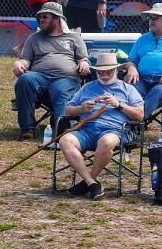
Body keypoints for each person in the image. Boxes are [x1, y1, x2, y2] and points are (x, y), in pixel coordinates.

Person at [57, 52, 145, 200]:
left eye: (109, 71)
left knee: (107, 141)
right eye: (101, 71)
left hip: (116, 130)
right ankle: (91, 183)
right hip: (86, 130)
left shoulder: (128, 89)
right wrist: (81, 108)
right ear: (96, 72)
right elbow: (67, 109)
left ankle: (86, 183)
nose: (105, 74)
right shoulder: (87, 88)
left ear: (117, 71)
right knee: (65, 140)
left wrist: (119, 105)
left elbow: (140, 115)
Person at [13, 2, 89, 140]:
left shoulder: (73, 38)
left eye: (45, 17)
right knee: (25, 80)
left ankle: (59, 130)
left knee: (61, 90)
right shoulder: (34, 38)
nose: (40, 20)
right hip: (39, 77)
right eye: (40, 17)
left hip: (65, 78)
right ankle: (27, 129)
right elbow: (26, 60)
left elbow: (83, 59)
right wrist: (19, 63)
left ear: (56, 18)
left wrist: (83, 63)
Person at [124, 2, 162, 117]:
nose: (151, 20)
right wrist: (132, 68)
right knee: (131, 90)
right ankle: (133, 120)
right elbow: (131, 60)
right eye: (150, 17)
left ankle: (136, 120)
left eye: (155, 17)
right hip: (141, 78)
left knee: (158, 92)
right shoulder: (143, 38)